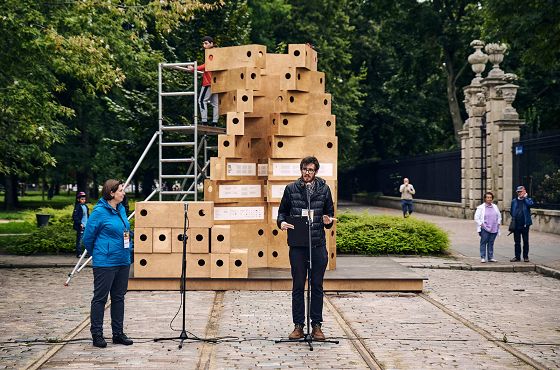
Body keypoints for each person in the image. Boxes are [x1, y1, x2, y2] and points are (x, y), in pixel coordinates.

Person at [277, 156, 335, 341]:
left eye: (310, 170)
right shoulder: (291, 189)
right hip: (297, 245)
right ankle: (298, 326)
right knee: (298, 286)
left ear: (316, 171)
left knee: (317, 285)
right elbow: (282, 212)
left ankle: (316, 325)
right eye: (304, 169)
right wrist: (282, 222)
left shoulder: (324, 190)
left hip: (317, 244)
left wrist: (327, 221)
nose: (306, 173)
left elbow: (329, 215)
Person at [82, 179, 133, 348]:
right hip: (105, 262)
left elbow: (126, 232)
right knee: (100, 298)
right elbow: (88, 238)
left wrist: (129, 251)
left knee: (119, 298)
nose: (123, 193)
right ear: (111, 193)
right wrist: (101, 252)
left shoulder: (122, 209)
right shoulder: (99, 212)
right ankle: (97, 334)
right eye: (120, 190)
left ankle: (117, 333)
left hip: (123, 260)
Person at [187, 36, 219, 126]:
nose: (204, 45)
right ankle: (214, 122)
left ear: (211, 43)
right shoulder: (218, 52)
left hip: (209, 81)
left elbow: (207, 65)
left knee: (201, 100)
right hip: (216, 82)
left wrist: (194, 68)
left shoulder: (212, 53)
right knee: (214, 103)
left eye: (206, 43)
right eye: (203, 43)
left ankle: (204, 121)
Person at [474, 192, 501, 263]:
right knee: (483, 242)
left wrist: (498, 223)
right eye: (487, 197)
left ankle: (490, 257)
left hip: (494, 228)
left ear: (492, 198)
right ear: (485, 199)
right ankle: (483, 257)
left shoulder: (495, 206)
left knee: (491, 243)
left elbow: (499, 216)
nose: (489, 199)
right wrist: (481, 224)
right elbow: (476, 218)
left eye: (490, 197)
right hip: (485, 228)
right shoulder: (481, 208)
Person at [509, 185, 534, 262]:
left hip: (525, 224)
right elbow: (511, 211)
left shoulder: (528, 200)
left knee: (525, 241)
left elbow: (530, 204)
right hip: (516, 224)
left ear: (524, 191)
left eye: (521, 191)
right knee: (517, 242)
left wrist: (525, 197)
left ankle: (526, 257)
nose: (519, 193)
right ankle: (517, 257)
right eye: (518, 192)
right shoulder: (514, 201)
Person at [72, 191, 90, 257]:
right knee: (79, 240)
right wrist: (80, 223)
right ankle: (79, 253)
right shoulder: (78, 207)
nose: (83, 200)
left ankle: (86, 253)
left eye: (84, 199)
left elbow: (87, 216)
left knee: (86, 239)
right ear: (78, 199)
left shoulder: (85, 206)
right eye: (82, 199)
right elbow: (74, 216)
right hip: (81, 226)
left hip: (86, 226)